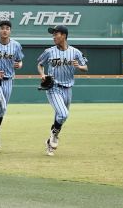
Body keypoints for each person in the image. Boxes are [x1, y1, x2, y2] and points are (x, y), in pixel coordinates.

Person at [37, 25, 88, 156]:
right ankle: (54, 136)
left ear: (64, 35)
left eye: (56, 34)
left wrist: (80, 66)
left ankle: (50, 142)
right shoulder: (49, 51)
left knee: (60, 117)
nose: (53, 37)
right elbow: (40, 64)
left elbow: (85, 67)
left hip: (68, 89)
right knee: (63, 114)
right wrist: (42, 74)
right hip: (53, 87)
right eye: (53, 34)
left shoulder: (75, 52)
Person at [0, 20, 24, 151]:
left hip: (8, 79)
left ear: (10, 31)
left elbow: (19, 61)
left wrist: (19, 65)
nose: (5, 30)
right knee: (1, 104)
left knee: (2, 109)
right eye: (2, 28)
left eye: (7, 28)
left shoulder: (16, 45)